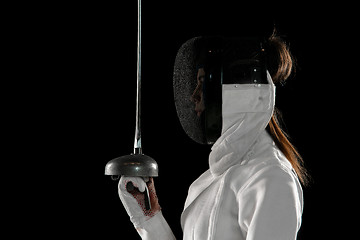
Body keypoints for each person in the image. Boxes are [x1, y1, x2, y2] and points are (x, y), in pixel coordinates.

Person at [117, 32, 309, 240]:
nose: (194, 96)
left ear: (240, 94)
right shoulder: (213, 177)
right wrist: (150, 219)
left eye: (203, 83)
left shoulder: (270, 178)